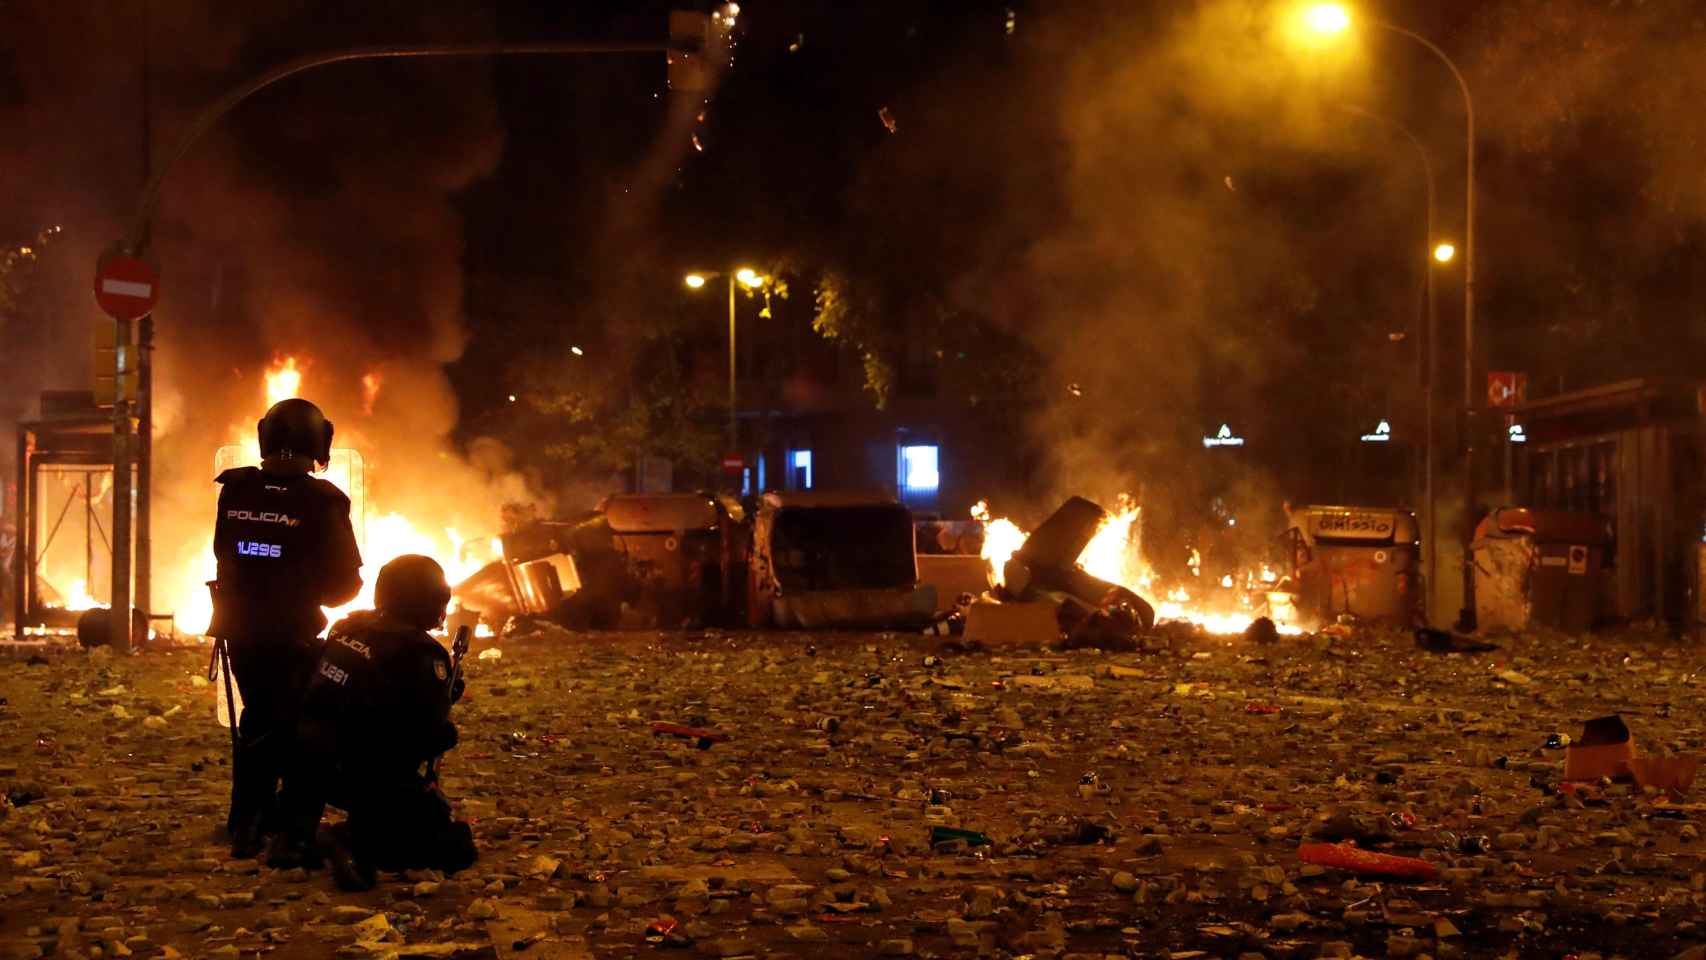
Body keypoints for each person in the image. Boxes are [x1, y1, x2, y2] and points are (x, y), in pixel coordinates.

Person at [209, 397, 362, 860]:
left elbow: (224, 553)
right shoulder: (323, 500)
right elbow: (343, 586)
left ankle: (248, 821)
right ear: (319, 442)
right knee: (306, 727)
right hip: (293, 635)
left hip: (241, 635)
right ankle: (292, 832)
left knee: (258, 718)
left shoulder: (234, 489)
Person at [285, 554, 476, 888]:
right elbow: (422, 732)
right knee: (455, 847)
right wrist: (445, 729)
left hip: (306, 765)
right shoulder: (421, 651)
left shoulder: (347, 626)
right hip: (365, 770)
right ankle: (350, 842)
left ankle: (301, 837)